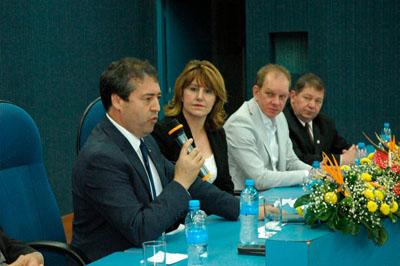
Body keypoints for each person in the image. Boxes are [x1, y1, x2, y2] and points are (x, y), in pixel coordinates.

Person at [71, 57, 239, 262]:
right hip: (114, 259)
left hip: (151, 253)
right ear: (117, 101)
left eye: (158, 97)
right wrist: (180, 182)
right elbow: (140, 229)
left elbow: (195, 186)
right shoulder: (100, 158)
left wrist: (243, 207)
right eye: (147, 99)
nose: (157, 107)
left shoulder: (145, 140)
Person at [224, 64, 311, 191]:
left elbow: (290, 161)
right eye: (270, 94)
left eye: (282, 97)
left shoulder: (280, 117)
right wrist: (307, 175)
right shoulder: (240, 123)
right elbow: (260, 179)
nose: (276, 102)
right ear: (256, 92)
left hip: (275, 194)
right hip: (246, 200)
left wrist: (318, 173)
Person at [152, 60, 234, 194]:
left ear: (216, 99)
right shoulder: (164, 131)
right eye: (193, 89)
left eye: (208, 91)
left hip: (216, 212)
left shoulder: (217, 132)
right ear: (181, 94)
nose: (200, 97)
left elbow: (225, 185)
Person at [283, 73, 357, 165]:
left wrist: (352, 152)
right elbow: (299, 159)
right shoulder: (282, 122)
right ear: (293, 96)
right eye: (307, 98)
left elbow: (344, 147)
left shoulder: (325, 123)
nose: (312, 105)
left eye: (318, 101)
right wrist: (341, 159)